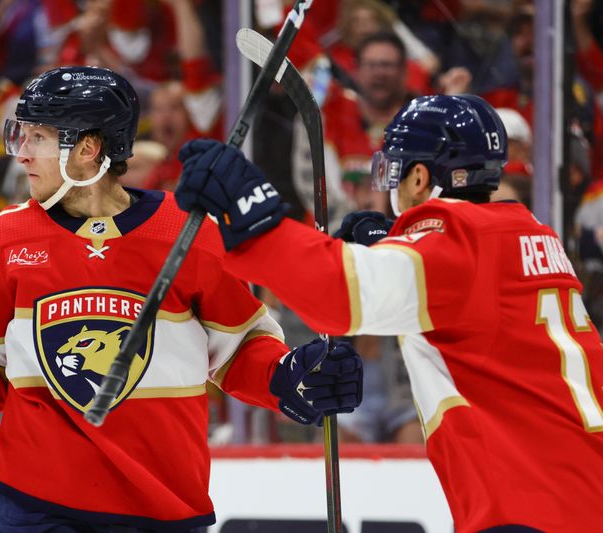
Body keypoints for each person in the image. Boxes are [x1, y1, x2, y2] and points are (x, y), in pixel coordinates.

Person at [0, 66, 363, 531]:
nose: (22, 155)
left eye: (38, 138)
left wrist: (287, 377)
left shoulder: (188, 232)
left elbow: (238, 350)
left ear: (88, 150)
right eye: (22, 136)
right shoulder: (4, 240)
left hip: (163, 503)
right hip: (37, 501)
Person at [174, 94, 603, 532]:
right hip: (580, 493)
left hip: (535, 508)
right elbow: (466, 304)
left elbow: (339, 296)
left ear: (419, 178)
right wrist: (386, 249)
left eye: (394, 171)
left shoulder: (461, 243)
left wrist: (254, 221)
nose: (390, 185)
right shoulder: (528, 232)